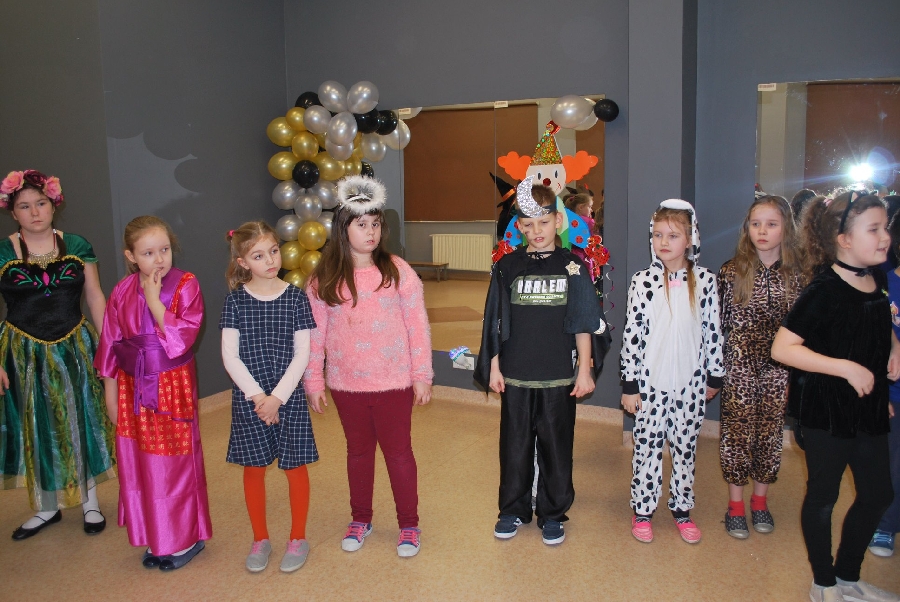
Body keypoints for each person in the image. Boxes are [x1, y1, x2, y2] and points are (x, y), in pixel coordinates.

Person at [771, 191, 900, 602]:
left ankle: (848, 576)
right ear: (843, 239)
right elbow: (783, 349)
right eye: (873, 229)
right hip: (826, 412)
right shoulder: (823, 289)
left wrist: (894, 346)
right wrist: (845, 367)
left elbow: (876, 322)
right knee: (824, 497)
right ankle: (823, 582)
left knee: (878, 494)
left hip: (869, 408)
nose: (885, 237)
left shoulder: (878, 279)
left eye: (885, 228)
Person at [304, 175, 433, 558]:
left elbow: (418, 326)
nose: (371, 232)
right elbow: (314, 334)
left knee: (399, 454)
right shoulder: (324, 279)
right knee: (358, 453)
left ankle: (409, 524)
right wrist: (314, 381)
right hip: (347, 385)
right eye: (362, 224)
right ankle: (360, 518)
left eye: (376, 224)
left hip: (394, 383)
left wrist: (421, 375)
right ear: (343, 228)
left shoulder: (397, 271)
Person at [474, 176, 607, 546]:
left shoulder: (573, 266)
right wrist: (495, 366)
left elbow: (583, 321)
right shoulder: (507, 267)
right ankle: (513, 509)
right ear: (519, 227)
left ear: (558, 221)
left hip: (558, 376)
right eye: (528, 225)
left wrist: (584, 369)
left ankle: (553, 512)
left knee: (556, 448)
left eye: (544, 223)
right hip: (516, 374)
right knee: (514, 447)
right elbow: (496, 320)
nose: (537, 232)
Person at [0, 169, 115, 539]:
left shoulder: (77, 245)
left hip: (74, 347)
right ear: (13, 212)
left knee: (83, 418)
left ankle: (90, 502)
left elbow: (94, 296)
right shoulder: (3, 252)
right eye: (25, 206)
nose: (35, 212)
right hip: (22, 351)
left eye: (41, 203)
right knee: (36, 423)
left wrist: (109, 343)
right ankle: (47, 506)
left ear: (53, 205)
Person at [94, 216, 211, 570]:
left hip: (171, 385)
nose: (159, 259)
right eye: (148, 253)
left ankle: (183, 538)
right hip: (132, 386)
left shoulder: (185, 284)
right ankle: (157, 535)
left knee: (172, 463)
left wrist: (153, 299)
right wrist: (111, 393)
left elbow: (182, 337)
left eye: (165, 250)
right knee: (140, 461)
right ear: (131, 256)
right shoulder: (120, 291)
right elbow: (111, 343)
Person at [620, 199, 724, 545]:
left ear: (691, 239)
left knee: (685, 449)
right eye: (658, 235)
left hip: (689, 384)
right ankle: (643, 510)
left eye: (673, 235)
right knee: (647, 449)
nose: (663, 242)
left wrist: (714, 375)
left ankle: (682, 509)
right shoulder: (643, 281)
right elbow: (632, 334)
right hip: (650, 384)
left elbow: (712, 331)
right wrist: (630, 383)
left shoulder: (705, 281)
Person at [220, 221, 317, 574]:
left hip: (287, 397)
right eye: (259, 256)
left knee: (295, 466)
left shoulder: (296, 298)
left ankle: (298, 537)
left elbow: (302, 353)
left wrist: (277, 397)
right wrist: (259, 397)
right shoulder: (235, 301)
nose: (271, 260)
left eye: (273, 251)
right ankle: (260, 538)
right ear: (243, 262)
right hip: (251, 400)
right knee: (254, 468)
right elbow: (230, 356)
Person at [717, 195, 805, 539]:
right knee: (736, 434)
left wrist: (797, 376)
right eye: (756, 224)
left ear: (786, 229)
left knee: (769, 434)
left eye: (771, 224)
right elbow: (717, 326)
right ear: (747, 229)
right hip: (739, 364)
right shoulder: (731, 272)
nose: (763, 231)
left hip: (780, 367)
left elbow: (805, 330)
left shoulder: (798, 276)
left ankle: (759, 500)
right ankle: (735, 505)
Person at [869, 208, 900, 558]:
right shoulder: (884, 285)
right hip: (891, 392)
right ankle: (886, 524)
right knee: (892, 463)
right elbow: (872, 340)